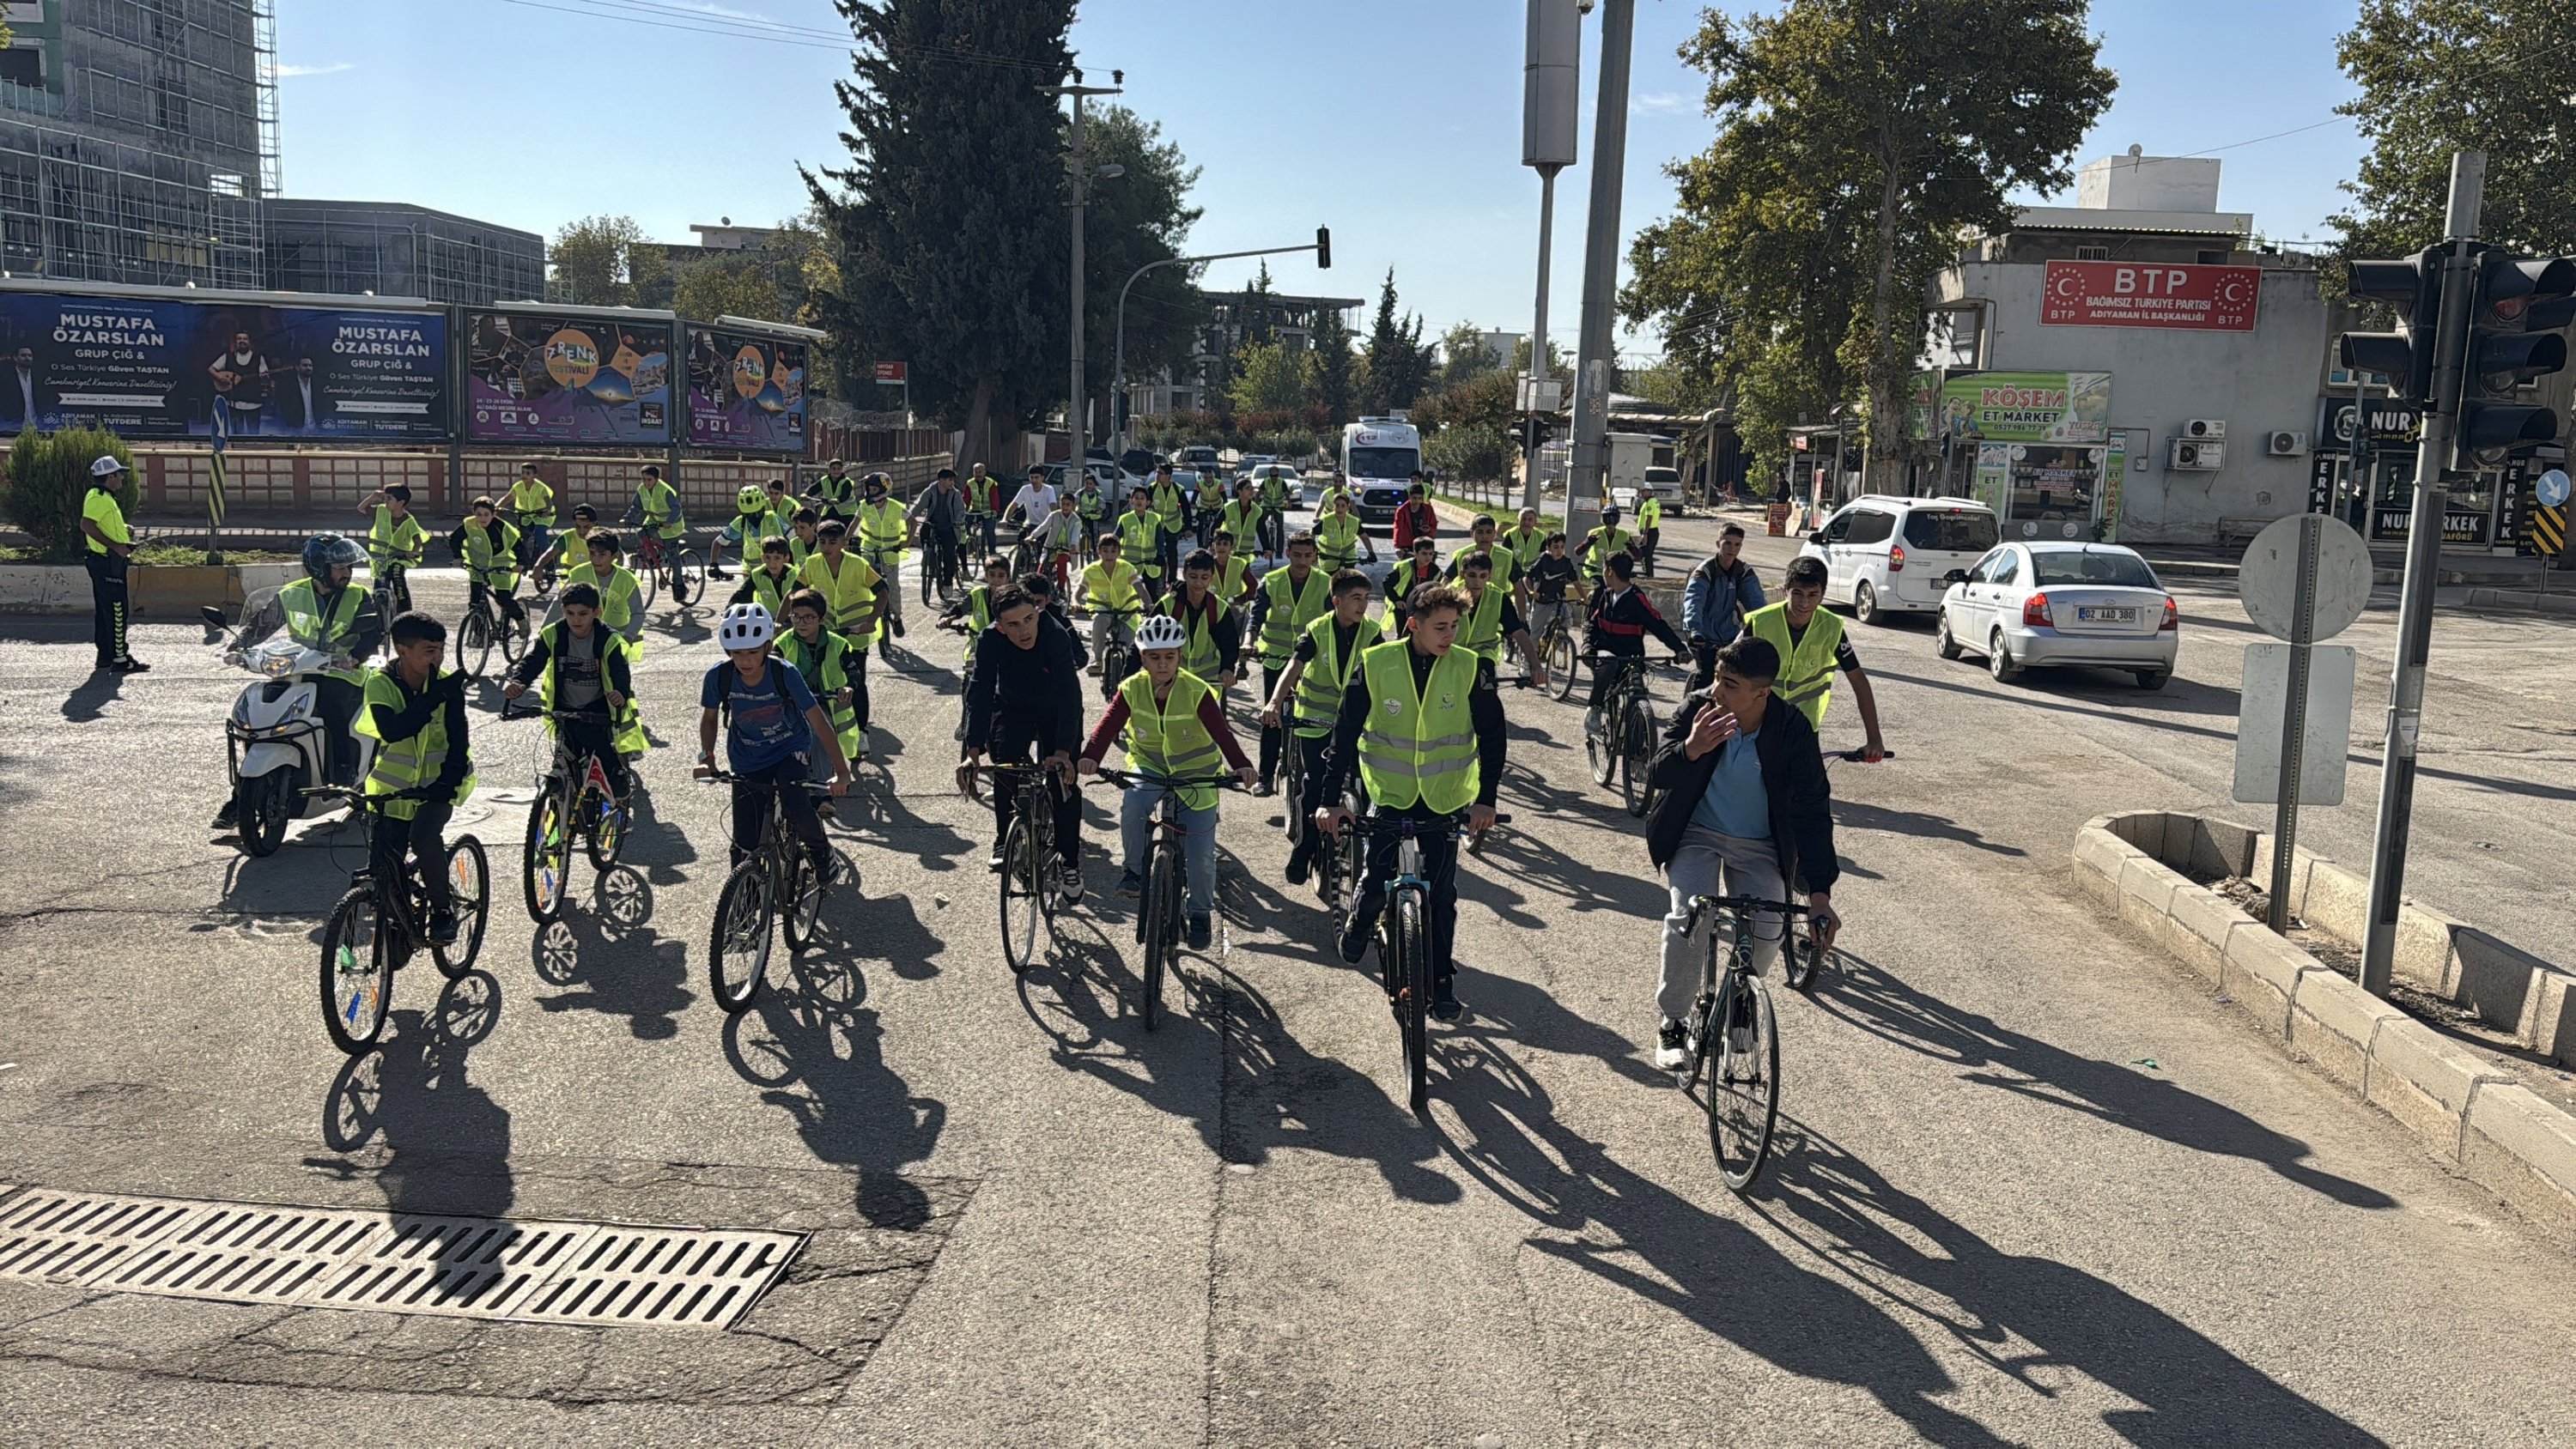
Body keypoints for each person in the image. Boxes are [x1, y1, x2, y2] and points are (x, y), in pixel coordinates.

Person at [1643, 634, 1841, 1070]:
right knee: (1689, 916)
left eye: (1730, 684)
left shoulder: (1791, 730)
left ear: (1761, 693)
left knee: (1771, 925)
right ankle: (1673, 1021)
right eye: (1716, 677)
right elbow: (1656, 772)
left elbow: (1812, 810)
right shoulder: (1697, 709)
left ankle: (1742, 1000)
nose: (1716, 690)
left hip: (1759, 846)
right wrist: (1692, 748)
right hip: (1696, 833)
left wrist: (1820, 894)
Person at [1313, 585, 1503, 1022]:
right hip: (1390, 794)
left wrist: (1485, 801)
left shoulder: (1471, 667)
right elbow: (1343, 736)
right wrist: (1329, 802)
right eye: (1440, 627)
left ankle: (1441, 982)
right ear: (1413, 624)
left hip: (1443, 800)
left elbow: (1493, 739)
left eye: (1455, 626)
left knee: (1442, 897)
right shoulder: (1376, 663)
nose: (1450, 635)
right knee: (1379, 872)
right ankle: (1361, 919)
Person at [1079, 613, 1257, 949]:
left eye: (1170, 657)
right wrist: (1091, 756)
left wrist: (1242, 766)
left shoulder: (1197, 690)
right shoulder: (1131, 687)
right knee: (1134, 805)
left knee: (1201, 853)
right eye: (1154, 657)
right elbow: (1107, 726)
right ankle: (1133, 872)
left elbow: (1223, 734)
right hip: (1150, 767)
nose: (1162, 664)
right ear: (1143, 657)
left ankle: (1201, 913)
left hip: (1197, 774)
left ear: (1180, 656)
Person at [210, 534, 380, 829]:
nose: (347, 573)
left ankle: (343, 770)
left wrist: (354, 656)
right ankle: (241, 797)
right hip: (297, 668)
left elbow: (372, 633)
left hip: (342, 672)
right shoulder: (291, 594)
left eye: (348, 566)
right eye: (339, 567)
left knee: (330, 706)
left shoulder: (358, 596)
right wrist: (238, 648)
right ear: (319, 568)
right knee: (258, 714)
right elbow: (262, 624)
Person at [696, 603, 852, 878]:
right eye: (737, 653)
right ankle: (744, 906)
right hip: (747, 757)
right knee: (743, 842)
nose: (745, 660)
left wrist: (841, 771)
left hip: (789, 750)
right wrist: (707, 757)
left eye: (753, 652)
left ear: (768, 646)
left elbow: (818, 721)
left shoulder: (784, 673)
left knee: (796, 804)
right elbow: (709, 719)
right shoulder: (718, 676)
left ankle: (820, 852)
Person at [352, 610, 473, 942]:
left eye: (441, 650)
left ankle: (443, 910)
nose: (438, 658)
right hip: (392, 790)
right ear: (402, 651)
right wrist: (433, 697)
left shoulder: (447, 684)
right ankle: (397, 929)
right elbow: (393, 731)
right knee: (383, 866)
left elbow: (458, 739)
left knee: (422, 837)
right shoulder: (381, 684)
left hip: (440, 785)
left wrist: (447, 783)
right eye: (429, 651)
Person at [957, 584, 1087, 893]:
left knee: (1062, 783)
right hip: (1013, 706)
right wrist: (972, 750)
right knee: (1006, 766)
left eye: (1029, 619)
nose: (1024, 630)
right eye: (1013, 625)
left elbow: (1071, 695)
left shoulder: (1054, 634)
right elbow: (981, 692)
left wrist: (1063, 752)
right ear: (1000, 627)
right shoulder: (989, 639)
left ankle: (1070, 862)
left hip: (1056, 707)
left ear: (1038, 612)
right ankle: (1004, 838)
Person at [1261, 567, 1379, 887]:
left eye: (1367, 598)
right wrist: (1274, 701)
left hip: (1355, 727)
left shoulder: (1372, 632)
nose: (1363, 605)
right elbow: (1293, 666)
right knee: (1314, 787)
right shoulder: (1317, 630)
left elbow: (1386, 673)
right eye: (1356, 598)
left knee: (1369, 790)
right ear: (1336, 601)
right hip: (1315, 725)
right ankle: (1303, 851)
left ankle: (1371, 858)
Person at [504, 581, 640, 805]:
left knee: (599, 746)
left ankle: (618, 779)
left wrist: (619, 693)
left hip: (596, 708)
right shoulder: (553, 634)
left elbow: (619, 671)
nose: (576, 620)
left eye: (583, 614)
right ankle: (559, 815)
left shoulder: (608, 639)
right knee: (564, 758)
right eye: (570, 613)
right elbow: (533, 661)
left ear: (597, 613)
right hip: (563, 708)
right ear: (562, 611)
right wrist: (519, 681)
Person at [1745, 555, 1888, 761]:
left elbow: (1858, 681)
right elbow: (1727, 671)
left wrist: (1874, 739)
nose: (1804, 603)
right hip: (1759, 721)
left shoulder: (1831, 627)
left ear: (1822, 595)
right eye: (1797, 593)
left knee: (1809, 789)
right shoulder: (1760, 622)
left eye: (1813, 594)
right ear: (1785, 590)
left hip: (1804, 725)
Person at [1242, 530, 1331, 795]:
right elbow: (1256, 617)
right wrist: (1249, 642)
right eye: (1297, 555)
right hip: (1276, 659)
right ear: (1287, 554)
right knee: (1273, 715)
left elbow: (1331, 621)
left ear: (1315, 556)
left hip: (1311, 662)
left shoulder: (1325, 583)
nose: (1302, 562)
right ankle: (1265, 776)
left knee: (1315, 716)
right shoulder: (1272, 581)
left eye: (1308, 555)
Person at [779, 587, 867, 810]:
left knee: (820, 738)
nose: (801, 622)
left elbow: (854, 671)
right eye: (796, 617)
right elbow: (771, 665)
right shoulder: (784, 642)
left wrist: (849, 687)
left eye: (808, 617)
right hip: (790, 705)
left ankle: (822, 793)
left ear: (821, 619)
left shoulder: (837, 644)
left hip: (823, 704)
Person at [1585, 552, 1686, 742]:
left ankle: (1638, 738)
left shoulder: (1637, 599)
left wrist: (1679, 648)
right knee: (1607, 663)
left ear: (1609, 571)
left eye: (1605, 568)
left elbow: (1658, 626)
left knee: (1638, 691)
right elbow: (1592, 624)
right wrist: (1587, 646)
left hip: (1632, 658)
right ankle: (1595, 708)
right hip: (1607, 655)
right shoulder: (1604, 595)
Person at [1682, 522, 1765, 693]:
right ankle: (1691, 713)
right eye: (1727, 543)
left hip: (1730, 636)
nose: (1732, 549)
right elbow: (1694, 602)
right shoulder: (1705, 571)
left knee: (1736, 679)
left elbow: (1757, 606)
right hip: (1702, 634)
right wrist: (1695, 630)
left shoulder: (1743, 572)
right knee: (1706, 678)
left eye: (1737, 544)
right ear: (1718, 543)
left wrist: (1765, 628)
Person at [80, 454, 142, 674]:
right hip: (107, 563)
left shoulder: (103, 497)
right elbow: (86, 525)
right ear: (110, 477)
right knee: (117, 611)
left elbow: (102, 524)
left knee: (105, 611)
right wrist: (116, 546)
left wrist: (123, 530)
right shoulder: (98, 497)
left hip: (107, 562)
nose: (122, 479)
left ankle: (106, 656)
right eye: (119, 475)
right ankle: (120, 659)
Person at [799, 518, 889, 667]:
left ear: (843, 543)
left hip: (856, 633)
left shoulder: (858, 564)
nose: (826, 547)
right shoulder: (812, 563)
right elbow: (795, 592)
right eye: (822, 542)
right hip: (827, 633)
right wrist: (781, 622)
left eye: (833, 542)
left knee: (857, 679)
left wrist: (871, 621)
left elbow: (883, 593)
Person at [1453, 550, 1547, 689]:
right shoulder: (1449, 596)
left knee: (1490, 703)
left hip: (1482, 655)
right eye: (1472, 575)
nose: (1477, 581)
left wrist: (1537, 666)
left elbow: (1519, 633)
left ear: (1490, 577)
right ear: (1462, 575)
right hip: (1452, 654)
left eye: (1483, 576)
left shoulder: (1499, 598)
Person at [1157, 549, 1241, 694]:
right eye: (1193, 576)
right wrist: (1128, 675)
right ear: (1184, 575)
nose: (1198, 582)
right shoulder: (1169, 604)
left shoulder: (1219, 608)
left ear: (1211, 578)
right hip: (1172, 681)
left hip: (1208, 684)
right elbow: (1145, 639)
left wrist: (1228, 669)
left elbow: (1230, 643)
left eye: (1204, 577)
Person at [450, 496, 528, 636]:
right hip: (477, 566)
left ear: (493, 514)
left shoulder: (502, 528)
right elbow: (454, 539)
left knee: (503, 598)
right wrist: (458, 557)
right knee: (474, 603)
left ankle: (521, 620)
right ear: (474, 514)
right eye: (479, 514)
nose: (482, 518)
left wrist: (521, 564)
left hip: (501, 566)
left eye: (486, 514)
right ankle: (479, 635)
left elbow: (518, 547)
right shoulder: (469, 524)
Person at [557, 530, 644, 646]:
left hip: (616, 639)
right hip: (584, 639)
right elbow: (561, 605)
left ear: (615, 556)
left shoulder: (627, 579)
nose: (596, 559)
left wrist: (629, 636)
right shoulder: (578, 574)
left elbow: (638, 613)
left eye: (602, 554)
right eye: (592, 553)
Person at [1078, 531, 1146, 673]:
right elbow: (1078, 593)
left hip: (1126, 612)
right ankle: (1097, 660)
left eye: (1113, 551)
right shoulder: (1090, 570)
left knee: (1130, 645)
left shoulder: (1127, 568)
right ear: (1099, 552)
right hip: (1103, 611)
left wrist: (1149, 604)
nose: (1109, 555)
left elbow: (1140, 588)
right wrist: (1075, 603)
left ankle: (1129, 673)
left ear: (1119, 553)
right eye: (1105, 551)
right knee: (1099, 622)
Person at [856, 473, 911, 643]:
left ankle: (897, 617)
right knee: (864, 581)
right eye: (868, 489)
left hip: (890, 552)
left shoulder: (896, 507)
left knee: (893, 587)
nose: (870, 492)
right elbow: (854, 523)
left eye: (873, 489)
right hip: (870, 548)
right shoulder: (864, 506)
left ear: (883, 490)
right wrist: (844, 540)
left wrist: (906, 541)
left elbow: (913, 522)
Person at [360, 484, 428, 617]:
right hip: (380, 559)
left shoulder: (408, 520)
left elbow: (417, 540)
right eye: (384, 498)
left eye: (389, 499)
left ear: (401, 502)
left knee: (398, 579)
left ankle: (405, 614)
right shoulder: (380, 511)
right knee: (379, 586)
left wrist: (413, 552)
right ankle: (380, 617)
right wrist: (373, 497)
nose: (385, 501)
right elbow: (361, 508)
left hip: (398, 559)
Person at [624, 464, 689, 589]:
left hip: (672, 524)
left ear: (656, 479)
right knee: (641, 534)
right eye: (643, 479)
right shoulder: (641, 489)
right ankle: (655, 556)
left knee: (673, 556)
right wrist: (628, 517)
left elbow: (676, 508)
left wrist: (669, 521)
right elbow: (636, 507)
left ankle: (679, 585)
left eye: (649, 480)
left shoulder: (665, 490)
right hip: (654, 519)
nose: (646, 482)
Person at [909, 466, 969, 597]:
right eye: (949, 480)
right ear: (941, 480)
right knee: (924, 535)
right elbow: (919, 505)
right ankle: (928, 559)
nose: (952, 483)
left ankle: (948, 583)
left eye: (952, 480)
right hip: (932, 526)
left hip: (949, 527)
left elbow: (960, 509)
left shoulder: (955, 493)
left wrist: (959, 520)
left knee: (949, 554)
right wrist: (910, 517)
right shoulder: (930, 491)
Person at [1525, 531, 1584, 649]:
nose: (1559, 551)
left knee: (1567, 617)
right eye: (1555, 547)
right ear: (1548, 548)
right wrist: (1532, 592)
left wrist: (1585, 598)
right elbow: (1527, 578)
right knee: (1535, 633)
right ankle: (1527, 660)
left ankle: (1560, 640)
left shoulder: (1566, 563)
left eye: (1562, 547)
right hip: (1542, 600)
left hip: (1559, 599)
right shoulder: (1543, 560)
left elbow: (1575, 581)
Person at [1443, 514, 1522, 599]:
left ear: (1495, 534)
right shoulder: (1463, 554)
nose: (1484, 536)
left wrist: (1522, 612)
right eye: (1480, 532)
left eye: (1489, 532)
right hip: (1468, 603)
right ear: (1471, 533)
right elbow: (1446, 580)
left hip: (1497, 604)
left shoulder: (1506, 556)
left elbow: (1518, 587)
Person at [1379, 536, 1443, 634]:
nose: (1428, 557)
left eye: (1431, 554)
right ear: (1416, 553)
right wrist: (1396, 600)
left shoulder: (1436, 571)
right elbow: (1387, 583)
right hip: (1403, 607)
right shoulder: (1404, 567)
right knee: (1402, 634)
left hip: (1423, 608)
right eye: (1424, 554)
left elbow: (1439, 590)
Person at [710, 483, 774, 581]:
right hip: (750, 574)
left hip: (774, 572)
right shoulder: (740, 522)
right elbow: (718, 542)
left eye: (758, 513)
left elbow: (794, 537)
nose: (754, 518)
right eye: (749, 515)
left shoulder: (773, 519)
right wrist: (713, 565)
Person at [1024, 488, 1085, 590]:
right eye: (1063, 504)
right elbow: (1043, 527)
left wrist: (1073, 546)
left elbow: (1075, 534)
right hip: (1051, 547)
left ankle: (1061, 588)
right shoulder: (1053, 515)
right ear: (1059, 504)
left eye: (1068, 504)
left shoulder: (1076, 520)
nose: (1065, 507)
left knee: (1061, 560)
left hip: (1067, 549)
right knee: (1042, 569)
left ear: (1073, 506)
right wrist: (1032, 536)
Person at [730, 536, 802, 621]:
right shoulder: (757, 574)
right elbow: (741, 596)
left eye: (777, 558)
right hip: (766, 620)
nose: (772, 563)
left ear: (786, 558)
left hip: (793, 621)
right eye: (768, 557)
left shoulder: (796, 575)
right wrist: (730, 611)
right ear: (763, 557)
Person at [1115, 486, 1166, 604]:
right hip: (1130, 563)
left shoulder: (1154, 518)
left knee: (1152, 594)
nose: (1139, 500)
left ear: (1148, 502)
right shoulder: (1125, 519)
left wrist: (1160, 554)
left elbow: (1160, 539)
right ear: (1131, 501)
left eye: (1142, 498)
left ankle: (1152, 615)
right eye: (1136, 498)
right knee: (1126, 593)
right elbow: (1116, 538)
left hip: (1151, 563)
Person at [945, 555, 1016, 638]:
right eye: (992, 575)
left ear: (1008, 578)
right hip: (979, 645)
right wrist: (947, 617)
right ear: (986, 576)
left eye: (1001, 576)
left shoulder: (1015, 598)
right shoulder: (977, 594)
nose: (996, 580)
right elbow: (961, 608)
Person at [507, 464, 556, 579]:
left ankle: (549, 561)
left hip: (542, 516)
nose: (524, 476)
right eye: (523, 473)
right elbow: (507, 498)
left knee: (539, 533)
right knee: (518, 537)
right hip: (526, 516)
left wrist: (547, 511)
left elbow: (548, 502)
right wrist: (495, 507)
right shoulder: (518, 486)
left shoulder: (540, 487)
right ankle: (522, 560)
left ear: (534, 475)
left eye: (528, 473)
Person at [1315, 491, 1376, 573]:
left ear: (1348, 508)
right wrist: (1312, 551)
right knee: (1329, 580)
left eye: (1343, 506)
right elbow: (1312, 533)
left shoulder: (1354, 521)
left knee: (1350, 577)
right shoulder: (1326, 520)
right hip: (1329, 556)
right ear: (1333, 507)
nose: (1339, 509)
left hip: (1349, 554)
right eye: (1337, 505)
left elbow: (1364, 537)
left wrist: (1371, 553)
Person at [1577, 506, 1637, 586]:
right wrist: (1587, 543)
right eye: (1607, 519)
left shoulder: (1624, 535)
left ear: (1617, 520)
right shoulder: (1595, 533)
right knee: (1600, 587)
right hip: (1595, 571)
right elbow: (1578, 552)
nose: (1610, 523)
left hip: (1615, 572)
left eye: (1613, 520)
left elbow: (1638, 556)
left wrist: (1632, 548)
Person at [1006, 464, 1060, 543]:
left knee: (1042, 548)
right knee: (1021, 538)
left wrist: (1053, 523)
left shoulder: (1049, 490)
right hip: (1029, 524)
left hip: (1044, 525)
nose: (1034, 480)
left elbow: (1053, 507)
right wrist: (1005, 518)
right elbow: (1014, 504)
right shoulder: (1025, 489)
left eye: (1036, 477)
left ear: (1042, 478)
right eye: (1032, 477)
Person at [962, 462, 1000, 561]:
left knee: (990, 531)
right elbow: (966, 499)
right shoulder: (969, 483)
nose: (978, 474)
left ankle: (992, 552)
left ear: (984, 472)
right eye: (976, 472)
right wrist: (962, 510)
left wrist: (995, 510)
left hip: (987, 512)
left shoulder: (991, 483)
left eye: (980, 472)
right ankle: (969, 545)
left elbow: (994, 498)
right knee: (964, 526)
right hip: (974, 510)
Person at [808, 458, 860, 524]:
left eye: (839, 469)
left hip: (847, 513)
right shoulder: (825, 480)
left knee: (844, 532)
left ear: (842, 470)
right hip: (831, 510)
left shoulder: (846, 482)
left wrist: (837, 500)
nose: (836, 471)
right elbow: (814, 489)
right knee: (820, 529)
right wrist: (806, 494)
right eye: (834, 469)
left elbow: (844, 496)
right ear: (829, 470)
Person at [1500, 506, 1549, 579]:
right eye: (1523, 519)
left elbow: (1544, 557)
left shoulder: (1541, 536)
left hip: (1534, 574)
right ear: (1518, 520)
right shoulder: (1511, 535)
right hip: (1512, 573)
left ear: (1535, 522)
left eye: (1530, 519)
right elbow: (1504, 557)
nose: (1526, 522)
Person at [1220, 480, 1264, 560]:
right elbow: (1215, 524)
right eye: (1248, 488)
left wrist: (1267, 548)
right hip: (1228, 552)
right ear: (1239, 491)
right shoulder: (1229, 507)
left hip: (1246, 554)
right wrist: (1211, 543)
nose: (1251, 491)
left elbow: (1262, 530)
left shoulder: (1257, 510)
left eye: (1252, 488)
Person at [1393, 478, 1439, 551]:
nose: (1417, 501)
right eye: (1414, 498)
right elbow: (1398, 528)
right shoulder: (1402, 511)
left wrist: (1428, 530)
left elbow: (1433, 526)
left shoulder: (1428, 509)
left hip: (1424, 544)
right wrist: (1397, 546)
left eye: (1419, 498)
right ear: (1410, 497)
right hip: (1407, 545)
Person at [1072, 470, 1108, 560]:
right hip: (1082, 515)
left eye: (1090, 483)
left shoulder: (1098, 493)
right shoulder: (1081, 492)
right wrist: (1073, 508)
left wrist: (1099, 510)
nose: (1088, 486)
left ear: (1094, 484)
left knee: (1093, 534)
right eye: (1087, 483)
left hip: (1094, 516)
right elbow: (1074, 501)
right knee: (1076, 529)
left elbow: (1102, 502)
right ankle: (1076, 546)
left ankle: (1095, 550)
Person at [1635, 492, 1664, 577]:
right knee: (1648, 554)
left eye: (1644, 491)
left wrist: (1645, 533)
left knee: (1642, 552)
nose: (1642, 493)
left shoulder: (1650, 502)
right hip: (1653, 530)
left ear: (1649, 491)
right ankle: (1649, 574)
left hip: (1649, 532)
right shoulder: (1655, 501)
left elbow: (1649, 517)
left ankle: (1648, 574)